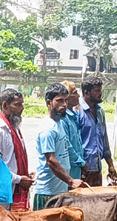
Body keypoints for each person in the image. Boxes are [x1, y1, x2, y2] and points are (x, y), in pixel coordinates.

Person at [33, 83, 84, 211]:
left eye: (66, 100)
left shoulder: (59, 123)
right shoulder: (48, 129)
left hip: (60, 189)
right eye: (59, 101)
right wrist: (71, 181)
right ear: (49, 102)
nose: (64, 105)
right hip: (47, 192)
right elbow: (51, 160)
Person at [0, 89, 34, 211]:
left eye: (22, 104)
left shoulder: (14, 127)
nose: (22, 108)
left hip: (14, 186)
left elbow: (13, 159)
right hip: (2, 192)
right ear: (5, 106)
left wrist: (25, 174)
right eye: (17, 105)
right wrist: (19, 179)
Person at [79, 76, 117, 186]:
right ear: (86, 93)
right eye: (97, 91)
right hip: (83, 169)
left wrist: (110, 164)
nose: (100, 93)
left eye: (100, 90)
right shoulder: (77, 112)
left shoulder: (100, 111)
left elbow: (104, 139)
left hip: (97, 167)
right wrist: (80, 164)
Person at [61, 80, 86, 182]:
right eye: (75, 93)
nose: (78, 96)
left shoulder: (74, 115)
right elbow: (67, 144)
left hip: (77, 167)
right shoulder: (63, 118)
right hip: (70, 167)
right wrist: (80, 162)